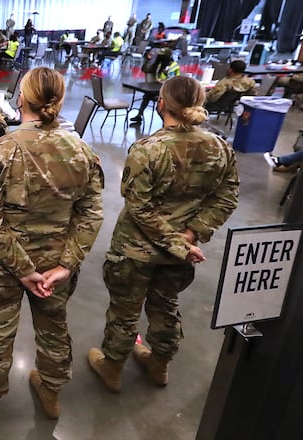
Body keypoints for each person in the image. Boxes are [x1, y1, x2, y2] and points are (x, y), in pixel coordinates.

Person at [0, 67, 104, 435]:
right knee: (54, 328)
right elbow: (91, 212)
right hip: (55, 266)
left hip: (3, 267)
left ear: (21, 100)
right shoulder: (81, 151)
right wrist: (67, 265)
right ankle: (52, 393)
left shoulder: (0, 152)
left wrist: (22, 268)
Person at [88, 76, 239, 393]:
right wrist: (190, 235)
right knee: (165, 306)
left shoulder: (148, 150)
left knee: (125, 311)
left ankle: (112, 366)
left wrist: (176, 242)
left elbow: (139, 208)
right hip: (179, 253)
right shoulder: (220, 148)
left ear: (161, 103)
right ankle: (159, 363)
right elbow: (226, 197)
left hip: (135, 251)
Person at [130, 48, 180, 126]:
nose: (159, 57)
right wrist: (147, 60)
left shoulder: (173, 65)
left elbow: (172, 80)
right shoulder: (160, 64)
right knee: (147, 96)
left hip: (169, 91)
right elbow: (146, 69)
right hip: (158, 88)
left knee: (160, 103)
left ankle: (166, 122)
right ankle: (139, 115)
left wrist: (163, 81)